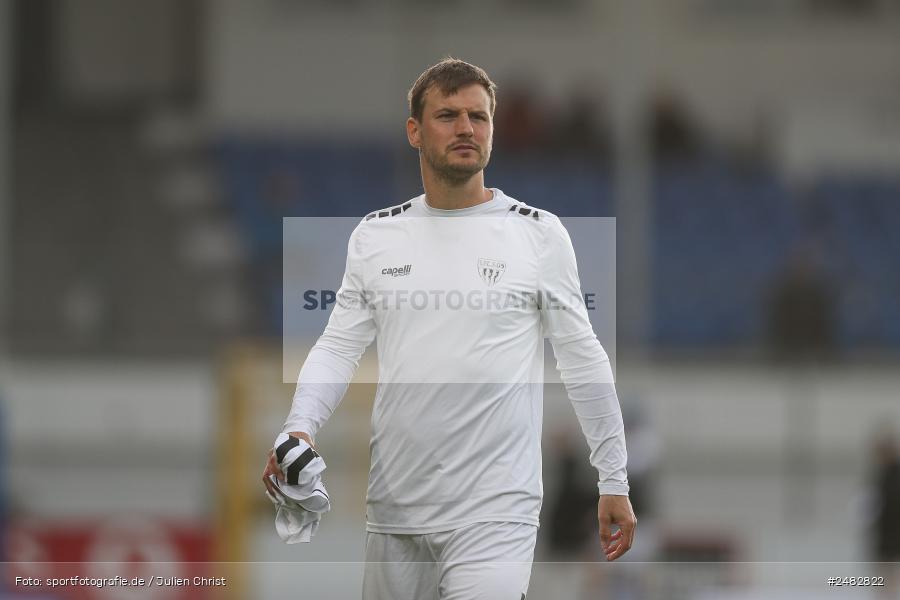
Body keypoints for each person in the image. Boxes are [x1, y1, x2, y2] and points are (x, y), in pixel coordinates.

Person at [262, 58, 635, 599]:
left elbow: (583, 361)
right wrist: (300, 427)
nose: (466, 128)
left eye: (478, 117)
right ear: (414, 131)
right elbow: (338, 347)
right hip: (395, 507)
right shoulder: (375, 237)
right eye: (448, 115)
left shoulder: (538, 236)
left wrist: (614, 477)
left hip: (496, 510)